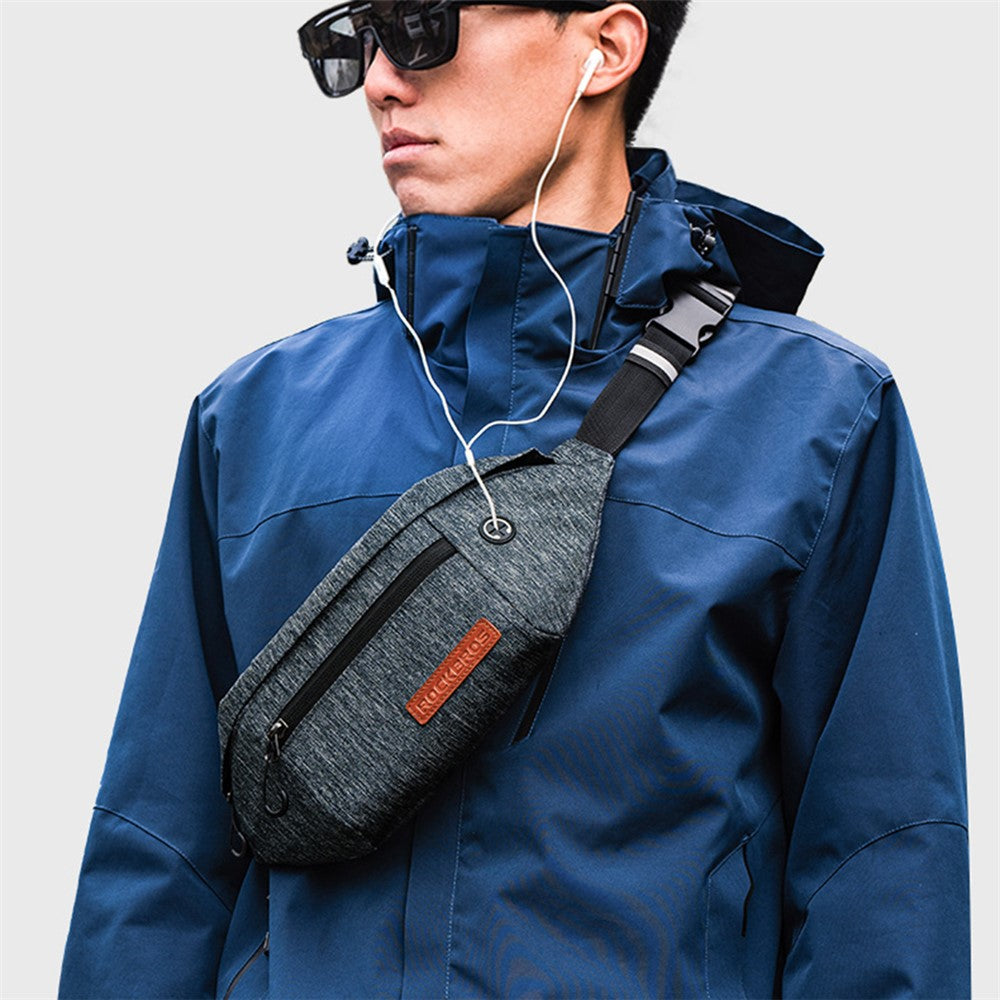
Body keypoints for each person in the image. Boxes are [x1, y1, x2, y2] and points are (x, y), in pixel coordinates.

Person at [59, 2, 971, 997]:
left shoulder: (814, 418)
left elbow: (881, 865)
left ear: (605, 48)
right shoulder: (255, 417)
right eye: (355, 42)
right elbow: (159, 854)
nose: (380, 82)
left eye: (423, 26)